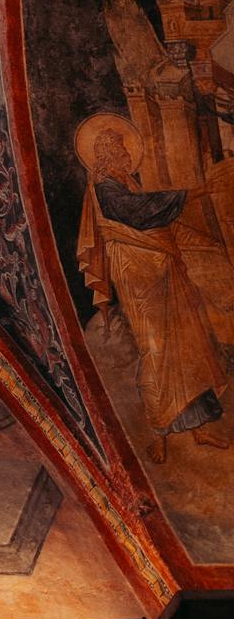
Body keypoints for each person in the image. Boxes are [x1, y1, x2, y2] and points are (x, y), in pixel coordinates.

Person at [76, 115, 231, 462]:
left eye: (126, 150)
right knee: (157, 349)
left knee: (187, 343)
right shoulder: (106, 189)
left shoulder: (123, 181)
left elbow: (153, 219)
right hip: (139, 276)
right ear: (107, 155)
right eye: (120, 151)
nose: (128, 156)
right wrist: (196, 192)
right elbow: (141, 214)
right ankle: (158, 433)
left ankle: (200, 429)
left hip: (162, 270)